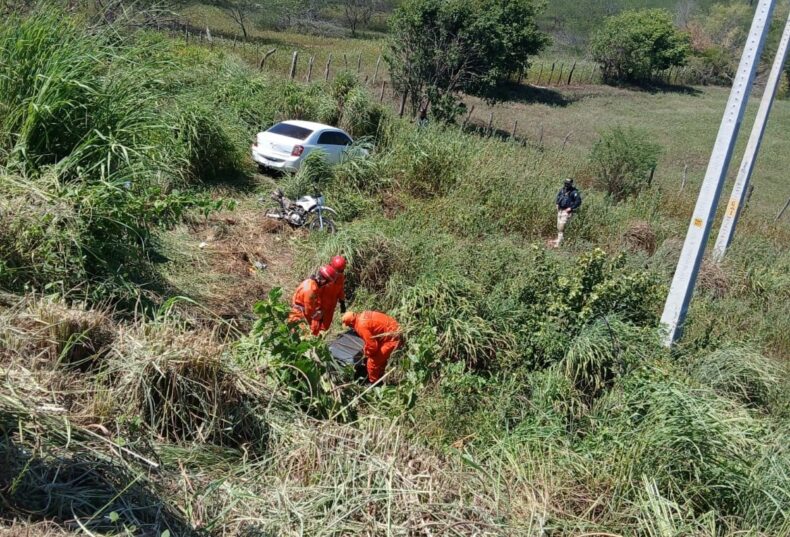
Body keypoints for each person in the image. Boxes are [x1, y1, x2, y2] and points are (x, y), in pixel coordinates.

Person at [342, 311, 401, 384]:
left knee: (371, 363)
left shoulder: (360, 326)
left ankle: (375, 384)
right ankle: (380, 373)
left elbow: (373, 347)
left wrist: (366, 354)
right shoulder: (363, 315)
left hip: (392, 338)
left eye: (349, 326)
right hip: (394, 328)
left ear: (351, 323)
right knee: (379, 358)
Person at [287, 265, 338, 336]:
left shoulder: (310, 283)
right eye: (327, 282)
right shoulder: (311, 289)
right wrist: (319, 314)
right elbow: (309, 312)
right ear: (323, 280)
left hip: (298, 315)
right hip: (299, 318)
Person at [319, 255, 347, 331]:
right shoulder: (325, 275)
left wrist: (342, 302)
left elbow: (340, 289)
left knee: (325, 327)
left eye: (341, 271)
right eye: (339, 271)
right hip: (321, 305)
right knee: (315, 325)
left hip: (331, 306)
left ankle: (321, 339)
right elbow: (316, 291)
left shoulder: (340, 277)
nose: (340, 272)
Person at [554, 178, 582, 247]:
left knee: (562, 226)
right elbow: (558, 197)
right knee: (558, 226)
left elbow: (578, 201)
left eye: (568, 183)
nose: (566, 184)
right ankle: (559, 239)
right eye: (565, 183)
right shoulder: (562, 190)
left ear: (571, 184)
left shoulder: (574, 192)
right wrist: (557, 204)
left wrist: (571, 208)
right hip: (560, 210)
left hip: (566, 212)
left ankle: (559, 243)